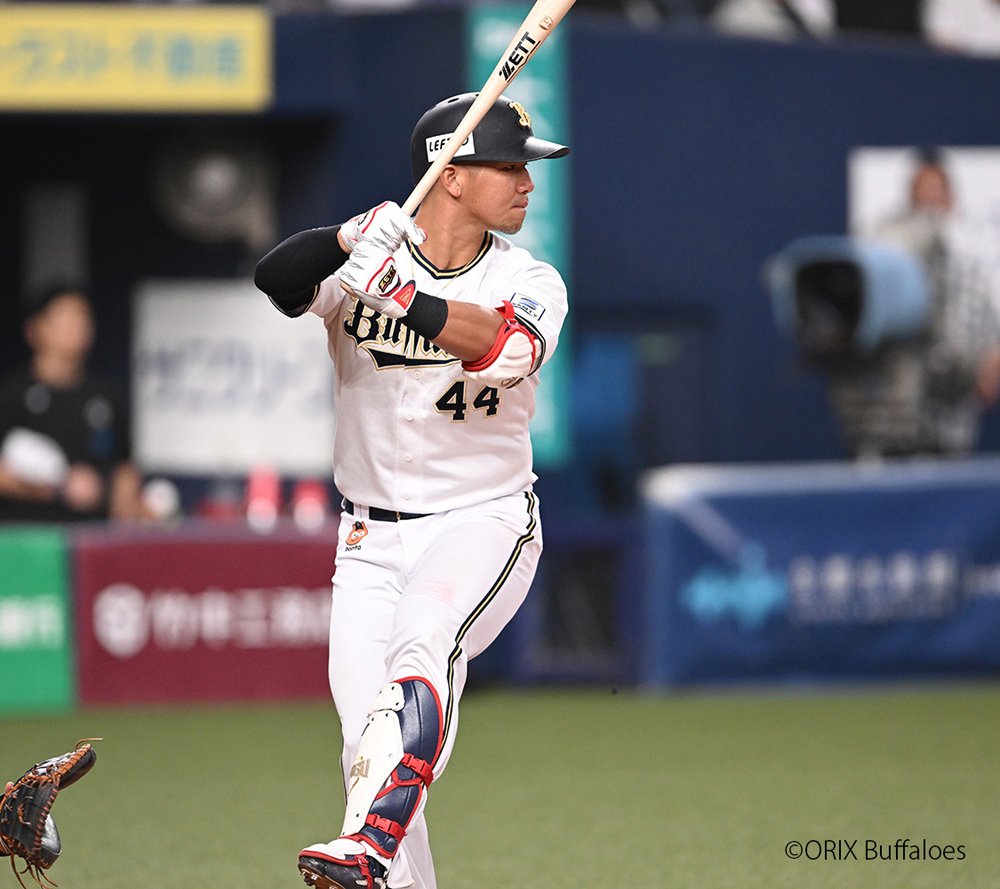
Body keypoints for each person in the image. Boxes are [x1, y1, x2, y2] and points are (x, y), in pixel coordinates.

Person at [254, 93, 569, 889]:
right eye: (508, 165)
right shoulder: (368, 257)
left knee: (423, 639)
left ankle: (364, 846)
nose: (528, 182)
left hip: (483, 519)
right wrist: (343, 239)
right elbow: (277, 277)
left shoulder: (528, 275)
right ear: (451, 175)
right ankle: (376, 857)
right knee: (370, 753)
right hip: (365, 542)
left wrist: (404, 295)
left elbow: (507, 348)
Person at [830, 148, 1000, 457]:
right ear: (909, 203)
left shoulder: (972, 273)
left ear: (951, 201)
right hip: (886, 430)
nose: (929, 206)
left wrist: (985, 371)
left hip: (951, 431)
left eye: (936, 195)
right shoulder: (884, 269)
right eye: (921, 197)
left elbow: (992, 342)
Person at [0, 284, 147, 523]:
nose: (76, 328)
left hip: (93, 540)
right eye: (65, 319)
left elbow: (125, 467)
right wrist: (58, 485)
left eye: (83, 319)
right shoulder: (10, 395)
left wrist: (124, 507)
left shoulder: (106, 395)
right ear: (35, 329)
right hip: (26, 539)